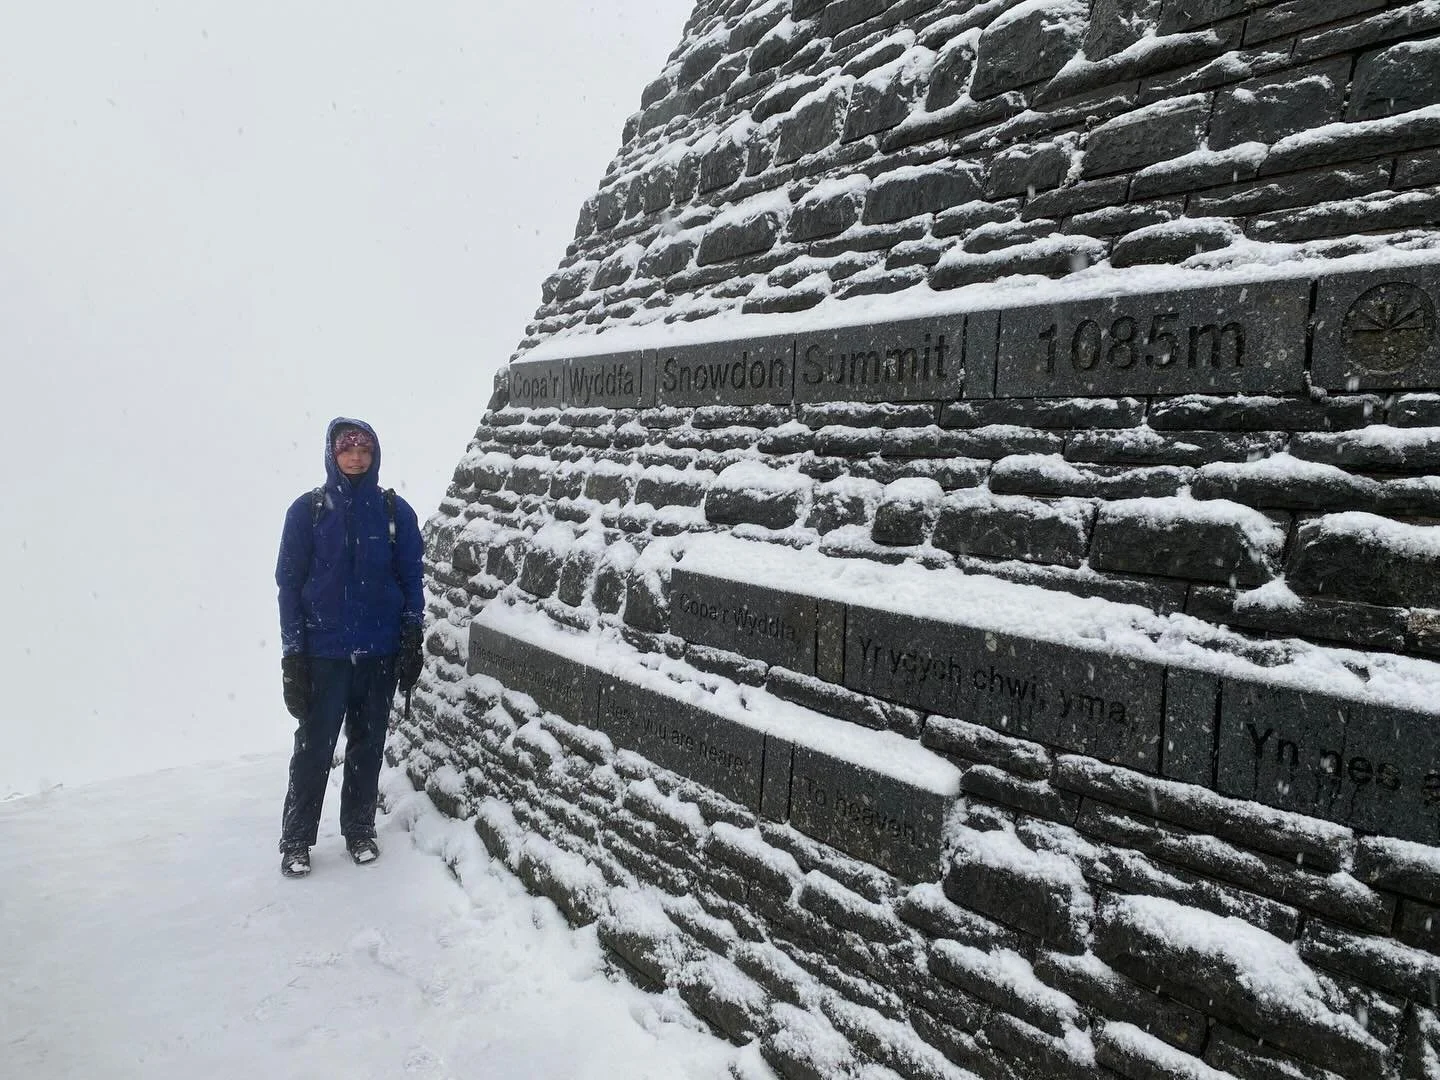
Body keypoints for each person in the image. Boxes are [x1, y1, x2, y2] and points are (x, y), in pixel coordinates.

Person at [274, 417, 424, 878]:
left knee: (368, 743)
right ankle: (297, 840)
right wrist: (293, 655)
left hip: (377, 653)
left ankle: (359, 829)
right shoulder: (308, 511)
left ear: (375, 456)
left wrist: (411, 635)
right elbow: (288, 584)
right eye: (347, 450)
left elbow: (411, 578)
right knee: (314, 746)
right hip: (324, 653)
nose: (356, 458)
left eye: (364, 450)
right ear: (332, 455)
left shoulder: (395, 512)